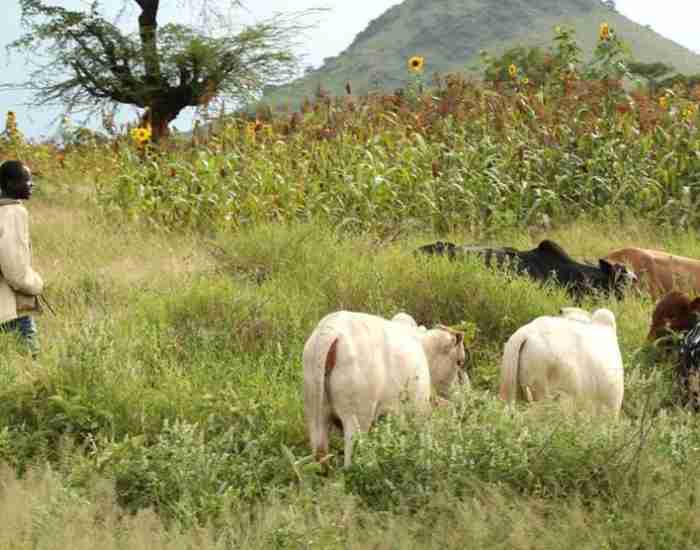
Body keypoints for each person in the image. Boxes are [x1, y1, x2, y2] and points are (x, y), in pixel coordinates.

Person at [0, 160, 43, 356]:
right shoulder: (14, 213)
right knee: (31, 360)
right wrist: (35, 284)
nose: (31, 184)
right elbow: (15, 270)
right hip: (10, 308)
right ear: (9, 184)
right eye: (26, 180)